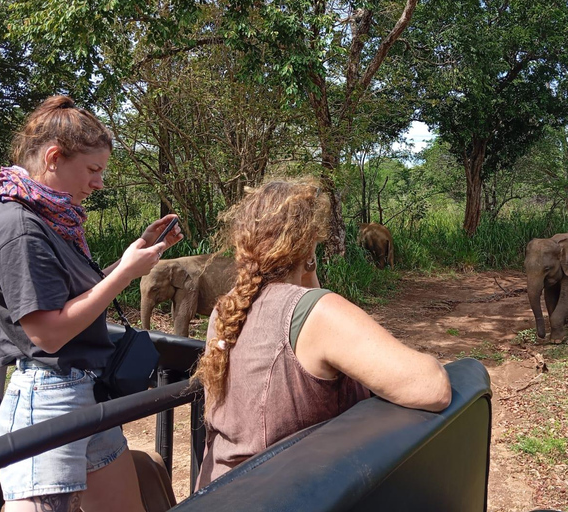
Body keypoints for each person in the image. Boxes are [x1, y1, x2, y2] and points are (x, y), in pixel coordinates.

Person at [0, 95, 183, 512]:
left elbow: (73, 297)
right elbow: (47, 334)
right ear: (54, 157)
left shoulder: (53, 221)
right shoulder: (20, 228)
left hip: (84, 392)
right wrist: (124, 273)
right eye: (93, 170)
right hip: (46, 400)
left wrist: (135, 253)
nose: (99, 183)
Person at [193, 179, 452, 488]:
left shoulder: (226, 310)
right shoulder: (315, 313)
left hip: (221, 492)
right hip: (287, 496)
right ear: (309, 242)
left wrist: (306, 269)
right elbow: (433, 387)